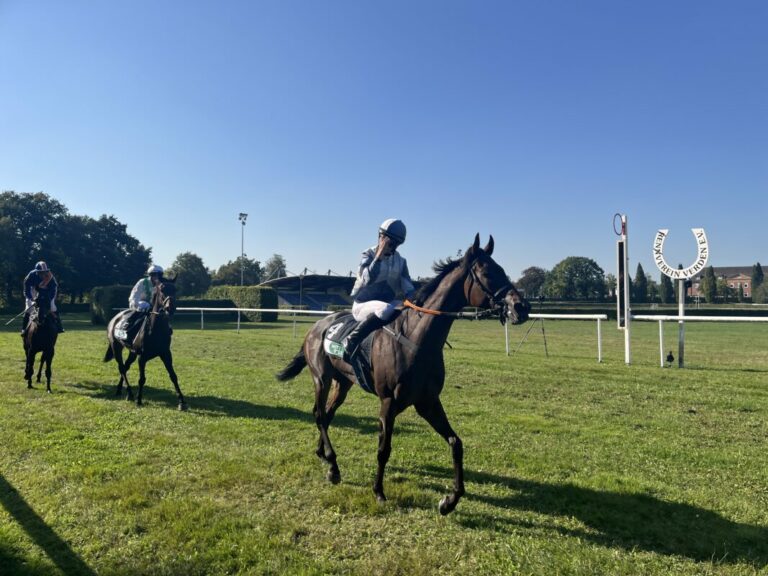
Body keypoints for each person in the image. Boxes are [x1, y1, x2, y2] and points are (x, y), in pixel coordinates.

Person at [343, 218, 416, 359]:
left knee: (405, 309)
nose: (392, 246)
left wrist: (414, 301)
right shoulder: (368, 254)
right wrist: (379, 256)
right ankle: (351, 340)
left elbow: (409, 288)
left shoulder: (401, 261)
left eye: (396, 243)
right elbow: (367, 279)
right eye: (390, 241)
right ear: (380, 236)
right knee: (386, 309)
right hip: (362, 304)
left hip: (387, 304)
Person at [22, 261, 64, 336]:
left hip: (47, 291)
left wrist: (47, 299)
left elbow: (53, 289)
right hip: (33, 289)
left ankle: (59, 327)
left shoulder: (50, 277)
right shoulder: (31, 275)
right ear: (36, 271)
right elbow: (27, 288)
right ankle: (24, 329)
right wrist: (31, 299)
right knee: (29, 308)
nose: (43, 274)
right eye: (40, 272)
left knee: (53, 307)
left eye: (44, 272)